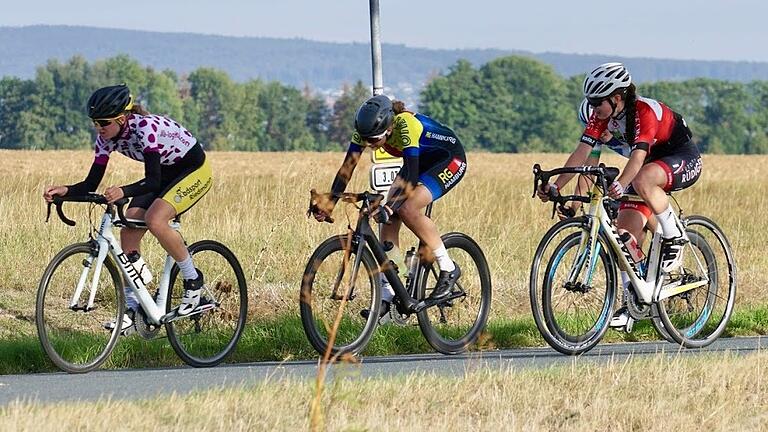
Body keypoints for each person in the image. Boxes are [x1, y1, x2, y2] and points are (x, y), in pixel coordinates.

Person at [538, 63, 702, 329]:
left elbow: (638, 157)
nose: (592, 108)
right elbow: (583, 156)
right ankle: (634, 300)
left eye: (596, 102)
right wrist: (558, 187)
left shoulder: (643, 112)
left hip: (679, 157)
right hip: (645, 166)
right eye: (589, 102)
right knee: (622, 237)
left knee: (642, 179)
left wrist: (621, 184)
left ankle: (675, 237)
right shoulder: (601, 116)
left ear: (616, 98)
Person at [43, 84, 213, 331]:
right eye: (95, 123)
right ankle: (133, 309)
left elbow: (153, 181)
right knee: (129, 229)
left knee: (156, 220)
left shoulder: (145, 128)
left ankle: (192, 279)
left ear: (122, 119)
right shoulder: (105, 139)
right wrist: (66, 191)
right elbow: (92, 182)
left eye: (104, 122)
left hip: (192, 170)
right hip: (164, 173)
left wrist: (123, 191)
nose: (99, 129)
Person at [311, 95, 467, 317]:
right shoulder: (365, 132)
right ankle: (390, 290)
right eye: (366, 140)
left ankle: (448, 268)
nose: (370, 145)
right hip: (418, 162)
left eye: (374, 141)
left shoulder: (406, 124)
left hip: (448, 160)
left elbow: (411, 177)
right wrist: (330, 203)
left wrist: (390, 206)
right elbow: (347, 168)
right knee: (387, 219)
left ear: (388, 128)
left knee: (406, 209)